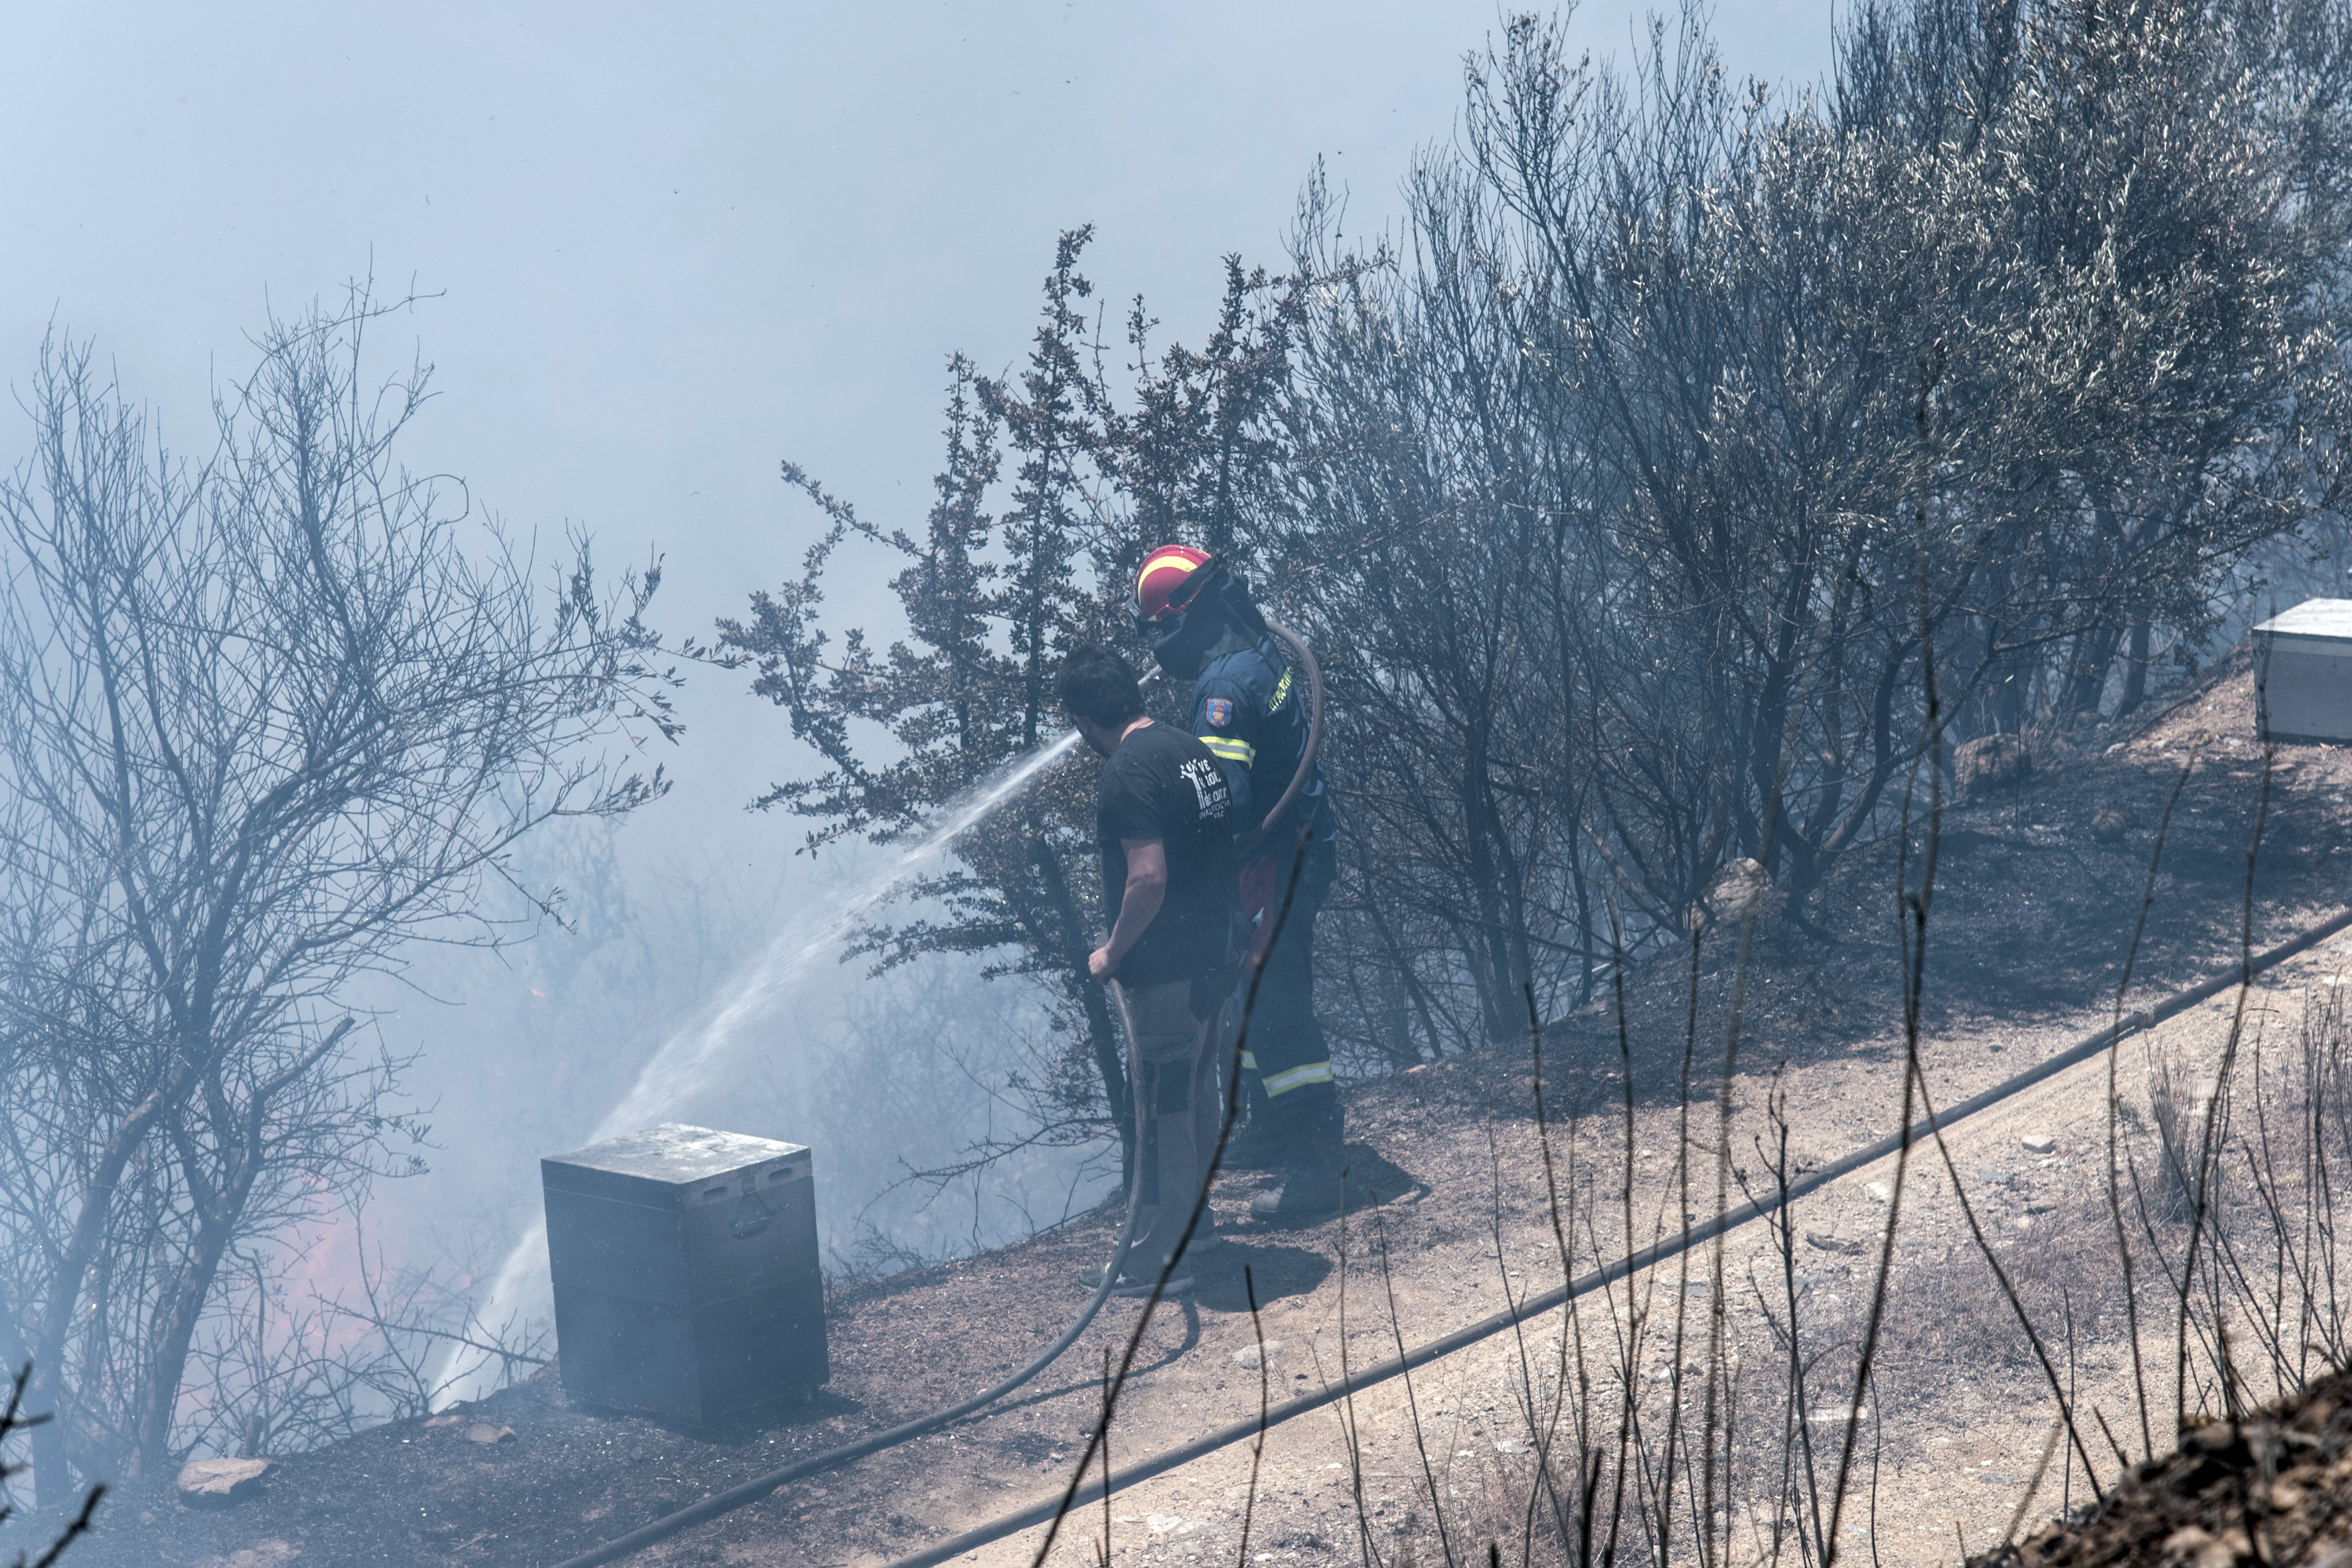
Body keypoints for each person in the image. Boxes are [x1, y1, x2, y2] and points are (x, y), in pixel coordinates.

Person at [1133, 544, 1344, 1224]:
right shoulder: (1260, 649)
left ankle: (1318, 1159)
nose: (1164, 646)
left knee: (1275, 1001)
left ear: (1188, 618)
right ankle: (1275, 1124)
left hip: (1275, 861)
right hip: (1299, 845)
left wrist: (1187, 861)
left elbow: (1227, 798)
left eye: (1165, 629)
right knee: (1254, 994)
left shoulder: (1221, 688)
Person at [1056, 643, 1239, 1294]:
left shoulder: (1127, 774)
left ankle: (1159, 1260)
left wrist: (1113, 950)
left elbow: (1149, 877)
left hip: (1165, 970)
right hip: (1213, 960)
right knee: (1195, 1098)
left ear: (1083, 719)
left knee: (1160, 1117)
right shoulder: (1190, 749)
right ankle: (1201, 1226)